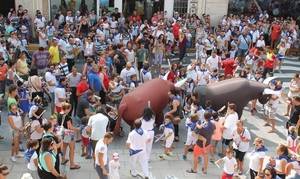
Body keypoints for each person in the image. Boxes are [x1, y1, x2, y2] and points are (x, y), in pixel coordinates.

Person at [57, 102, 80, 170]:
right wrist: (77, 129)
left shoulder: (59, 114)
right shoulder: (67, 117)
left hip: (63, 133)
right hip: (68, 133)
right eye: (69, 109)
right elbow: (70, 127)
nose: (70, 110)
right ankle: (72, 164)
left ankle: (63, 160)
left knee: (64, 147)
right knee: (72, 149)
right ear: (66, 109)